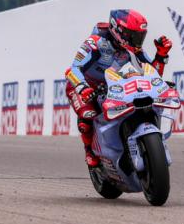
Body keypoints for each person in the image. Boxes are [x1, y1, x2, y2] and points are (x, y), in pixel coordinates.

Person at [64, 10, 173, 167]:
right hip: (86, 86)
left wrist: (161, 56)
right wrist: (83, 88)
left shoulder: (133, 48)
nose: (137, 41)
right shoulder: (94, 42)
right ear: (117, 30)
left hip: (115, 86)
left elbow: (155, 75)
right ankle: (89, 150)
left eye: (140, 36)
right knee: (88, 115)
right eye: (132, 35)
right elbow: (73, 69)